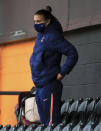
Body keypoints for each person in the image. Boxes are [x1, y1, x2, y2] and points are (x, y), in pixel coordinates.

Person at [30, 6, 78, 126]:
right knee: (45, 124)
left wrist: (62, 72)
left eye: (39, 21)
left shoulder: (53, 36)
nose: (36, 24)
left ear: (48, 21)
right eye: (35, 21)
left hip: (49, 86)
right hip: (39, 86)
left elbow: (72, 53)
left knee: (52, 125)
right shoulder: (40, 35)